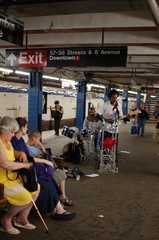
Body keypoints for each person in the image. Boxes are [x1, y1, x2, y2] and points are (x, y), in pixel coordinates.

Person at [11, 117, 76, 220]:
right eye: (26, 127)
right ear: (22, 127)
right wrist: (43, 161)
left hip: (29, 169)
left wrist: (44, 161)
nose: (27, 129)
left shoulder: (21, 141)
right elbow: (23, 160)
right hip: (23, 173)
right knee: (45, 184)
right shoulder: (13, 142)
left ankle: (58, 208)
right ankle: (57, 209)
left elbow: (29, 158)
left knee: (50, 180)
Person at [0, 116, 40, 235]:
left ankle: (22, 217)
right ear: (4, 131)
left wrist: (21, 153)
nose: (13, 135)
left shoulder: (6, 142)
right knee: (25, 197)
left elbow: (12, 153)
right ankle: (6, 220)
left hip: (11, 177)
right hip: (2, 181)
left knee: (35, 189)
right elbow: (5, 164)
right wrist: (24, 166)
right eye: (12, 132)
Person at [26, 130, 73, 206]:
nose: (38, 141)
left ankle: (62, 196)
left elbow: (46, 155)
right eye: (38, 139)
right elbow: (30, 159)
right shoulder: (27, 147)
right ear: (33, 138)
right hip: (40, 168)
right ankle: (56, 199)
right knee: (56, 176)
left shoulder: (36, 147)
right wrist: (38, 157)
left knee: (61, 172)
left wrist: (41, 146)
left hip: (45, 165)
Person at [97, 89, 123, 161]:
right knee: (105, 144)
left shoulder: (118, 105)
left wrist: (125, 117)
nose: (115, 99)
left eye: (116, 97)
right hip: (106, 128)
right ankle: (103, 159)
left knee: (114, 145)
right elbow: (98, 115)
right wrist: (105, 119)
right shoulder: (105, 105)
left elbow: (120, 116)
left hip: (115, 129)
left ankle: (114, 158)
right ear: (109, 97)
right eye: (113, 97)